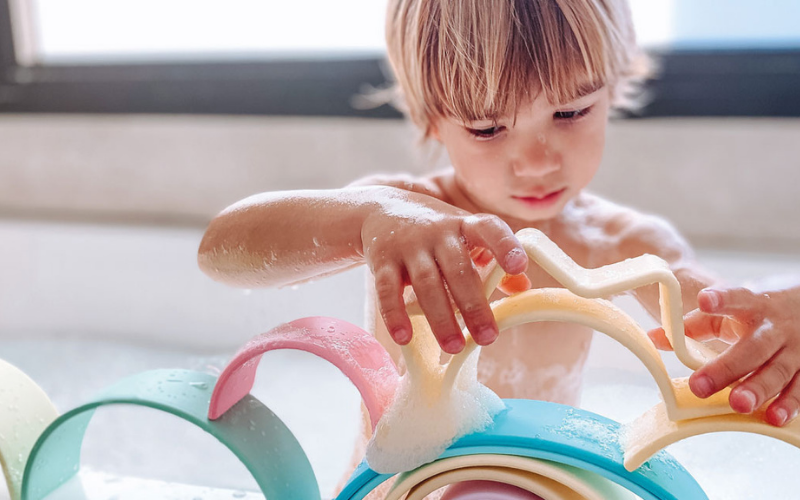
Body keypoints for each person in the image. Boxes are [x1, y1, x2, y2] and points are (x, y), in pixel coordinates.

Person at [197, 0, 800, 495]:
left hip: (541, 486)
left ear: (614, 89)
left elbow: (721, 317)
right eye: (487, 128)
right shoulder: (399, 213)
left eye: (571, 111)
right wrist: (369, 217)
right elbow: (220, 250)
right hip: (395, 490)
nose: (537, 161)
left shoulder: (623, 244)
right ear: (431, 119)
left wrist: (776, 326)